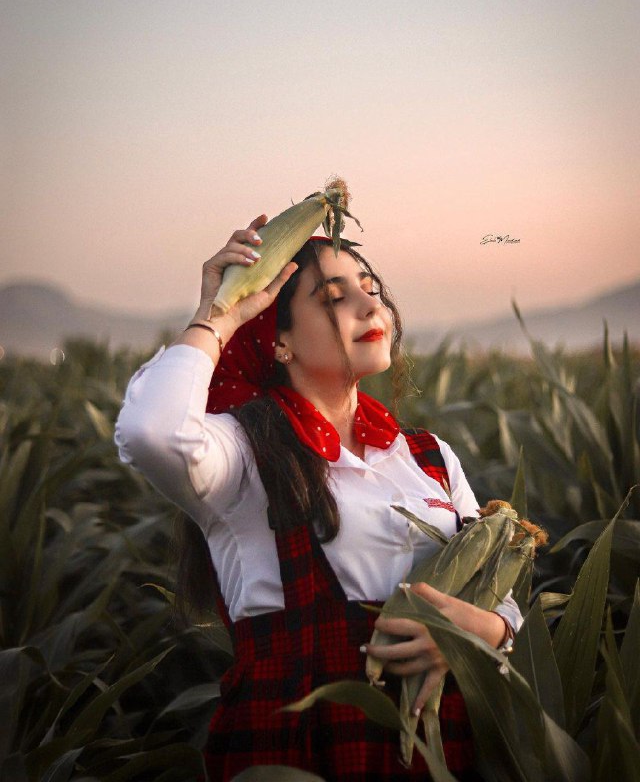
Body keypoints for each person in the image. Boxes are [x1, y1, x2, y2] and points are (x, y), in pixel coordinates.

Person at [115, 215, 521, 781]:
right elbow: (151, 432)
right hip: (300, 747)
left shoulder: (429, 455)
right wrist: (218, 314)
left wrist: (478, 632)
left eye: (370, 288)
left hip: (440, 751)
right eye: (334, 297)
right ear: (279, 341)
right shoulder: (243, 452)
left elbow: (499, 593)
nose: (370, 306)